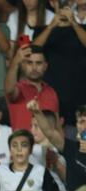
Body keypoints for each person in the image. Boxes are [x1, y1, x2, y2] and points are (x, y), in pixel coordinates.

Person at [33, 0, 86, 129]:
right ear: (52, 3)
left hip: (81, 96)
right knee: (52, 138)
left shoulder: (82, 29)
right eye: (59, 1)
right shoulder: (41, 29)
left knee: (82, 143)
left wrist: (73, 22)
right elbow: (33, 50)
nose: (63, 5)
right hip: (52, 97)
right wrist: (51, 26)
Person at [5, 45, 58, 131]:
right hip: (23, 143)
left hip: (47, 144)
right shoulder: (18, 89)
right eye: (29, 63)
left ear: (45, 66)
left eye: (38, 63)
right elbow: (9, 90)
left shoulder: (51, 92)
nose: (34, 68)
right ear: (23, 65)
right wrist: (14, 63)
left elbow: (57, 126)